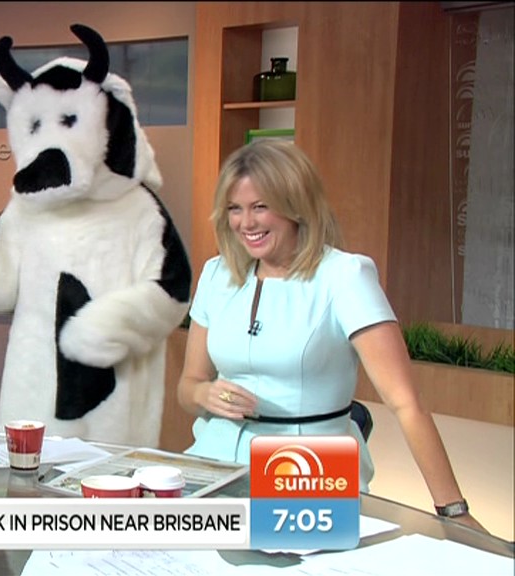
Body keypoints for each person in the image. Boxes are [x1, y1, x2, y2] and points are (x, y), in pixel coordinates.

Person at [177, 139, 482, 530]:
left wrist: (454, 512)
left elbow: (406, 403)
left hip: (308, 473)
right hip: (214, 463)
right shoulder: (217, 274)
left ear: (295, 205)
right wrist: (203, 394)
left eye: (260, 207)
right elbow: (189, 385)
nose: (246, 223)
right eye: (235, 209)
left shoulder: (344, 277)